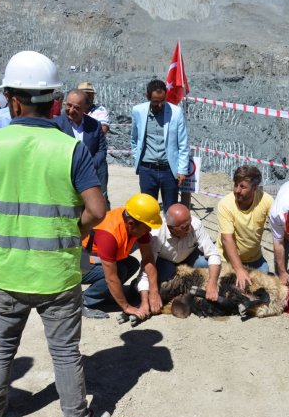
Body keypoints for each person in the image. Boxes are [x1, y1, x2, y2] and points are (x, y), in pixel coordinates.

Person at [0, 50, 111, 417]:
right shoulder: (71, 148)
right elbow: (97, 210)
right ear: (54, 101)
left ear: (13, 100)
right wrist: (73, 231)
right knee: (64, 353)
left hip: (8, 271)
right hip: (57, 275)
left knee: (0, 348)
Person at [80, 194, 163, 320]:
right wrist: (127, 307)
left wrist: (154, 291)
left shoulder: (137, 223)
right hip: (80, 264)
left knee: (132, 264)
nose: (149, 230)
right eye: (147, 227)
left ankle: (107, 293)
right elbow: (111, 278)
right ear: (131, 223)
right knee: (119, 272)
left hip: (97, 259)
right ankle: (83, 301)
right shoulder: (108, 235)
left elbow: (148, 259)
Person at [136, 203, 222, 301]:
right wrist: (149, 293)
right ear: (170, 227)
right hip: (165, 262)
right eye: (184, 227)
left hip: (189, 257)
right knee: (166, 273)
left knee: (205, 264)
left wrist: (212, 282)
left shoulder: (195, 225)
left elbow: (213, 253)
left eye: (190, 224)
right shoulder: (156, 235)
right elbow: (146, 268)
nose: (189, 229)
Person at [131, 79, 189, 212]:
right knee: (147, 210)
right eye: (155, 101)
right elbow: (134, 139)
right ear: (147, 96)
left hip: (169, 171)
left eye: (163, 101)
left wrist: (182, 170)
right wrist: (137, 157)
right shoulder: (138, 111)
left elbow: (183, 144)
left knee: (171, 210)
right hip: (147, 170)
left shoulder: (176, 112)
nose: (160, 105)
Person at [216, 165, 273, 290]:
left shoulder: (267, 201)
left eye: (242, 186)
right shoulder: (225, 204)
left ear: (255, 188)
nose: (237, 190)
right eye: (235, 185)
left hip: (254, 259)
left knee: (263, 278)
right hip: (227, 260)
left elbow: (279, 230)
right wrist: (239, 269)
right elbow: (227, 239)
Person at [55, 89, 108, 205]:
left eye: (77, 108)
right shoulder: (55, 125)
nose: (71, 110)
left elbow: (101, 150)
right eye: (69, 105)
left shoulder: (95, 125)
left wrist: (89, 166)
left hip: (90, 179)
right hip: (65, 179)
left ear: (85, 108)